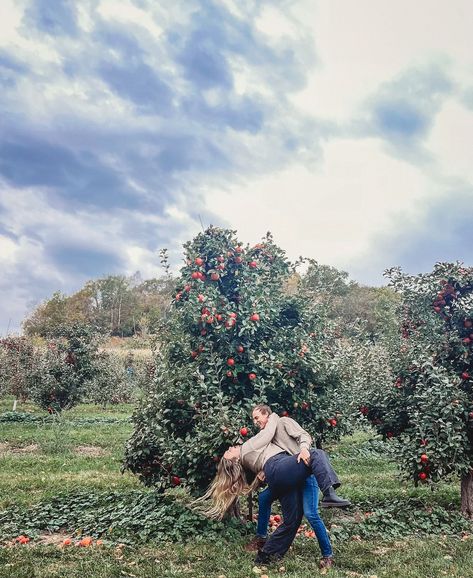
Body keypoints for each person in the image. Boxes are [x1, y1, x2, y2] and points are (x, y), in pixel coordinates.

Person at [199, 411, 347, 567]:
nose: (231, 447)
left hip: (286, 472)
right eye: (229, 452)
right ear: (235, 460)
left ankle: (266, 556)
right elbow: (268, 434)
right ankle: (330, 494)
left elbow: (272, 445)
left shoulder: (269, 437)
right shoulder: (246, 447)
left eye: (257, 417)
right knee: (317, 454)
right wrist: (272, 415)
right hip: (280, 467)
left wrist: (262, 472)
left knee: (292, 520)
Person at [246, 405, 348, 567]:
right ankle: (263, 540)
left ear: (267, 414)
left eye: (257, 417)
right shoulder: (268, 435)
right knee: (266, 498)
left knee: (311, 514)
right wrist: (262, 470)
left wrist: (304, 449)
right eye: (253, 419)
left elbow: (304, 435)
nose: (255, 422)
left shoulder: (284, 422)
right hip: (290, 475)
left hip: (305, 470)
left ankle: (327, 555)